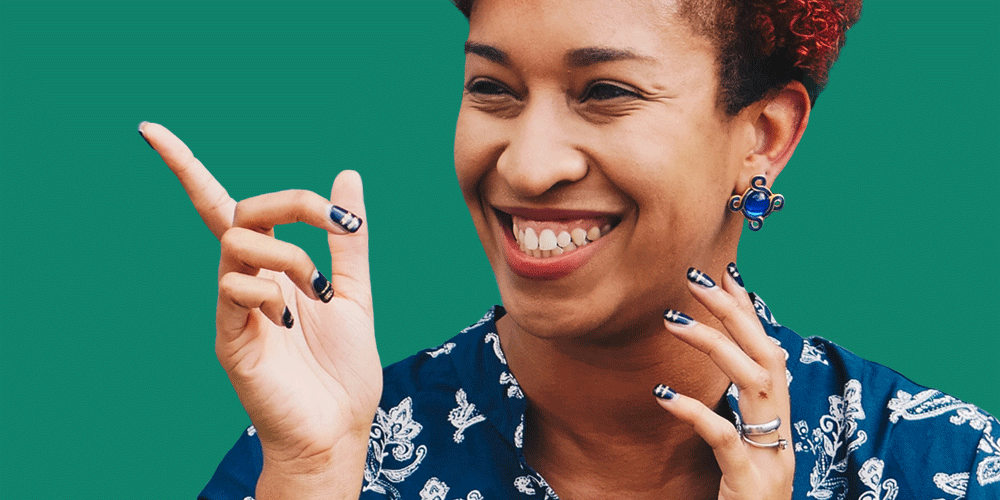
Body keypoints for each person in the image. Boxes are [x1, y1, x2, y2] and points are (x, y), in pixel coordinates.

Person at [139, 0, 998, 498]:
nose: (526, 162)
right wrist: (317, 474)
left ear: (764, 136)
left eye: (606, 92)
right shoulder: (311, 456)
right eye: (492, 89)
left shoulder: (945, 468)